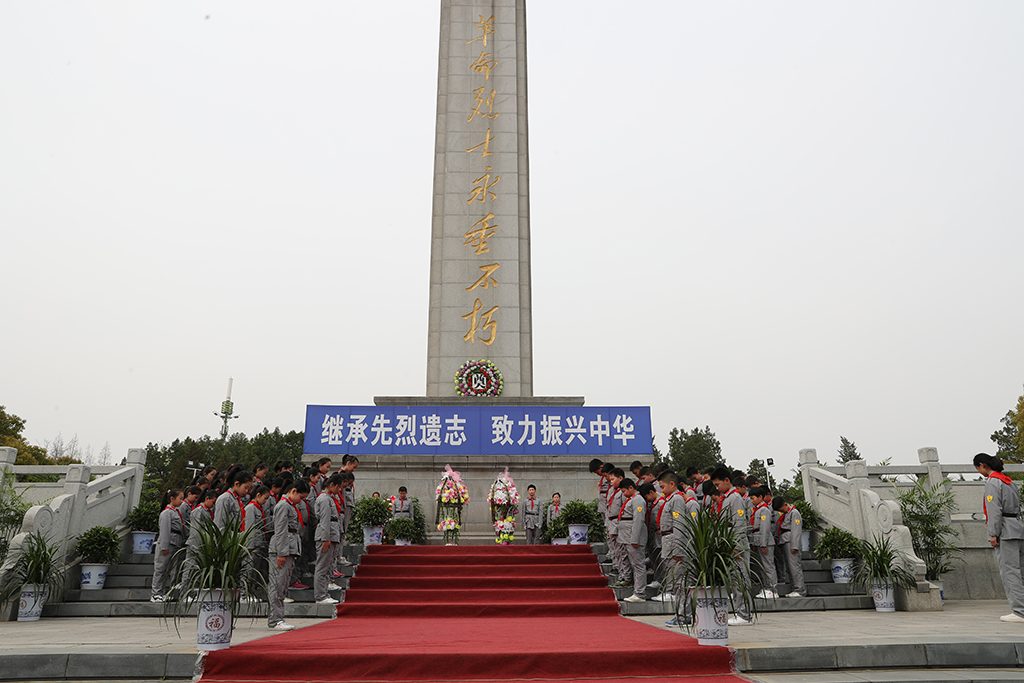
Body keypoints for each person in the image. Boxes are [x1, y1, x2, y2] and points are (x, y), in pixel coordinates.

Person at [974, 453, 1024, 622]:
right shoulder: (1009, 481)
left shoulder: (993, 482)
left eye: (978, 469)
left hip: (1006, 531)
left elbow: (994, 510)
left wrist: (993, 534)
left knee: (1010, 571)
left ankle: (1019, 611)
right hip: (1018, 527)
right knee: (1021, 571)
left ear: (982, 465)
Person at [711, 466, 752, 625]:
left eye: (717, 484)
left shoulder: (735, 498)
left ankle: (744, 614)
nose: (717, 488)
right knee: (734, 578)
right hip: (728, 543)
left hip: (736, 545)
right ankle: (739, 610)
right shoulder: (726, 498)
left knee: (740, 578)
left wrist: (738, 547)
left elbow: (739, 524)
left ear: (726, 481)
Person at [268, 480, 309, 631]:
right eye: (301, 497)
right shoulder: (283, 506)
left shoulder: (289, 506)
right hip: (282, 549)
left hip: (290, 548)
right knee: (278, 585)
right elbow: (280, 531)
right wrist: (282, 553)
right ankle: (275, 620)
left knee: (283, 585)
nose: (301, 501)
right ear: (293, 491)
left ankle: (278, 617)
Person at [313, 474, 344, 605]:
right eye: (339, 487)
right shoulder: (324, 499)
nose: (340, 490)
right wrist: (326, 538)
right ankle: (320, 595)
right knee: (323, 566)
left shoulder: (330, 498)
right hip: (327, 535)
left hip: (333, 533)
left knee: (329, 566)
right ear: (332, 485)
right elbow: (325, 520)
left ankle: (324, 592)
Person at [151, 489, 185, 603]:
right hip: (168, 543)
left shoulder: (175, 512)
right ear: (172, 498)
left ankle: (165, 592)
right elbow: (165, 531)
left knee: (170, 569)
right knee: (161, 569)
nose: (181, 501)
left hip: (175, 543)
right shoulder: (167, 513)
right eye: (180, 498)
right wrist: (164, 547)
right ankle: (156, 593)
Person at [618, 479, 648, 603]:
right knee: (634, 564)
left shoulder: (638, 500)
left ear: (631, 488)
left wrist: (634, 539)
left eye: (624, 491)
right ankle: (637, 591)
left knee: (638, 565)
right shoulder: (631, 500)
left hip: (633, 538)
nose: (624, 494)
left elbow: (638, 520)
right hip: (627, 537)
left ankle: (640, 593)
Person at [748, 486, 778, 599]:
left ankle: (772, 589)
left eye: (753, 498)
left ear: (760, 497)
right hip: (757, 540)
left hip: (765, 541)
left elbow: (765, 528)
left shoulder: (764, 510)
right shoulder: (757, 509)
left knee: (768, 566)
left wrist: (763, 543)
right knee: (762, 566)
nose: (752, 501)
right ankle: (766, 588)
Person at [773, 497, 805, 598]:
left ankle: (800, 590)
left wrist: (795, 545)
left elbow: (796, 530)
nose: (781, 512)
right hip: (785, 540)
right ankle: (794, 588)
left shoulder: (794, 513)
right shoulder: (786, 514)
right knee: (789, 568)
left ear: (785, 504)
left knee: (794, 567)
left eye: (781, 509)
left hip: (791, 541)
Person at [182, 489, 218, 581]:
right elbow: (196, 529)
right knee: (190, 568)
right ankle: (185, 591)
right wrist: (196, 546)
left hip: (202, 544)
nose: (213, 505)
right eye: (213, 502)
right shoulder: (198, 511)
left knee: (197, 571)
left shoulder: (208, 512)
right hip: (196, 544)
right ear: (206, 498)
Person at [245, 485, 272, 586]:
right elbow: (249, 528)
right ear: (258, 495)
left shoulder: (258, 508)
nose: (265, 501)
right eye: (265, 498)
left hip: (259, 542)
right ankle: (245, 593)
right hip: (252, 544)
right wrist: (250, 546)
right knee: (249, 568)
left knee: (255, 569)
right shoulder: (251, 508)